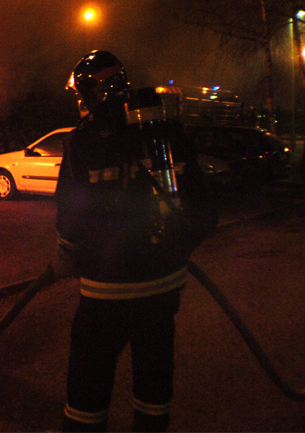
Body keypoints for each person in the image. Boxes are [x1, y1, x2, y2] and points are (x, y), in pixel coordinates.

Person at [54, 51, 218, 432]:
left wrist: (67, 251)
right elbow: (205, 210)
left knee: (88, 386)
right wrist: (176, 252)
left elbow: (71, 218)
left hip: (105, 293)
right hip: (163, 290)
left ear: (89, 94)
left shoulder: (84, 141)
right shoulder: (168, 132)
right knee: (154, 376)